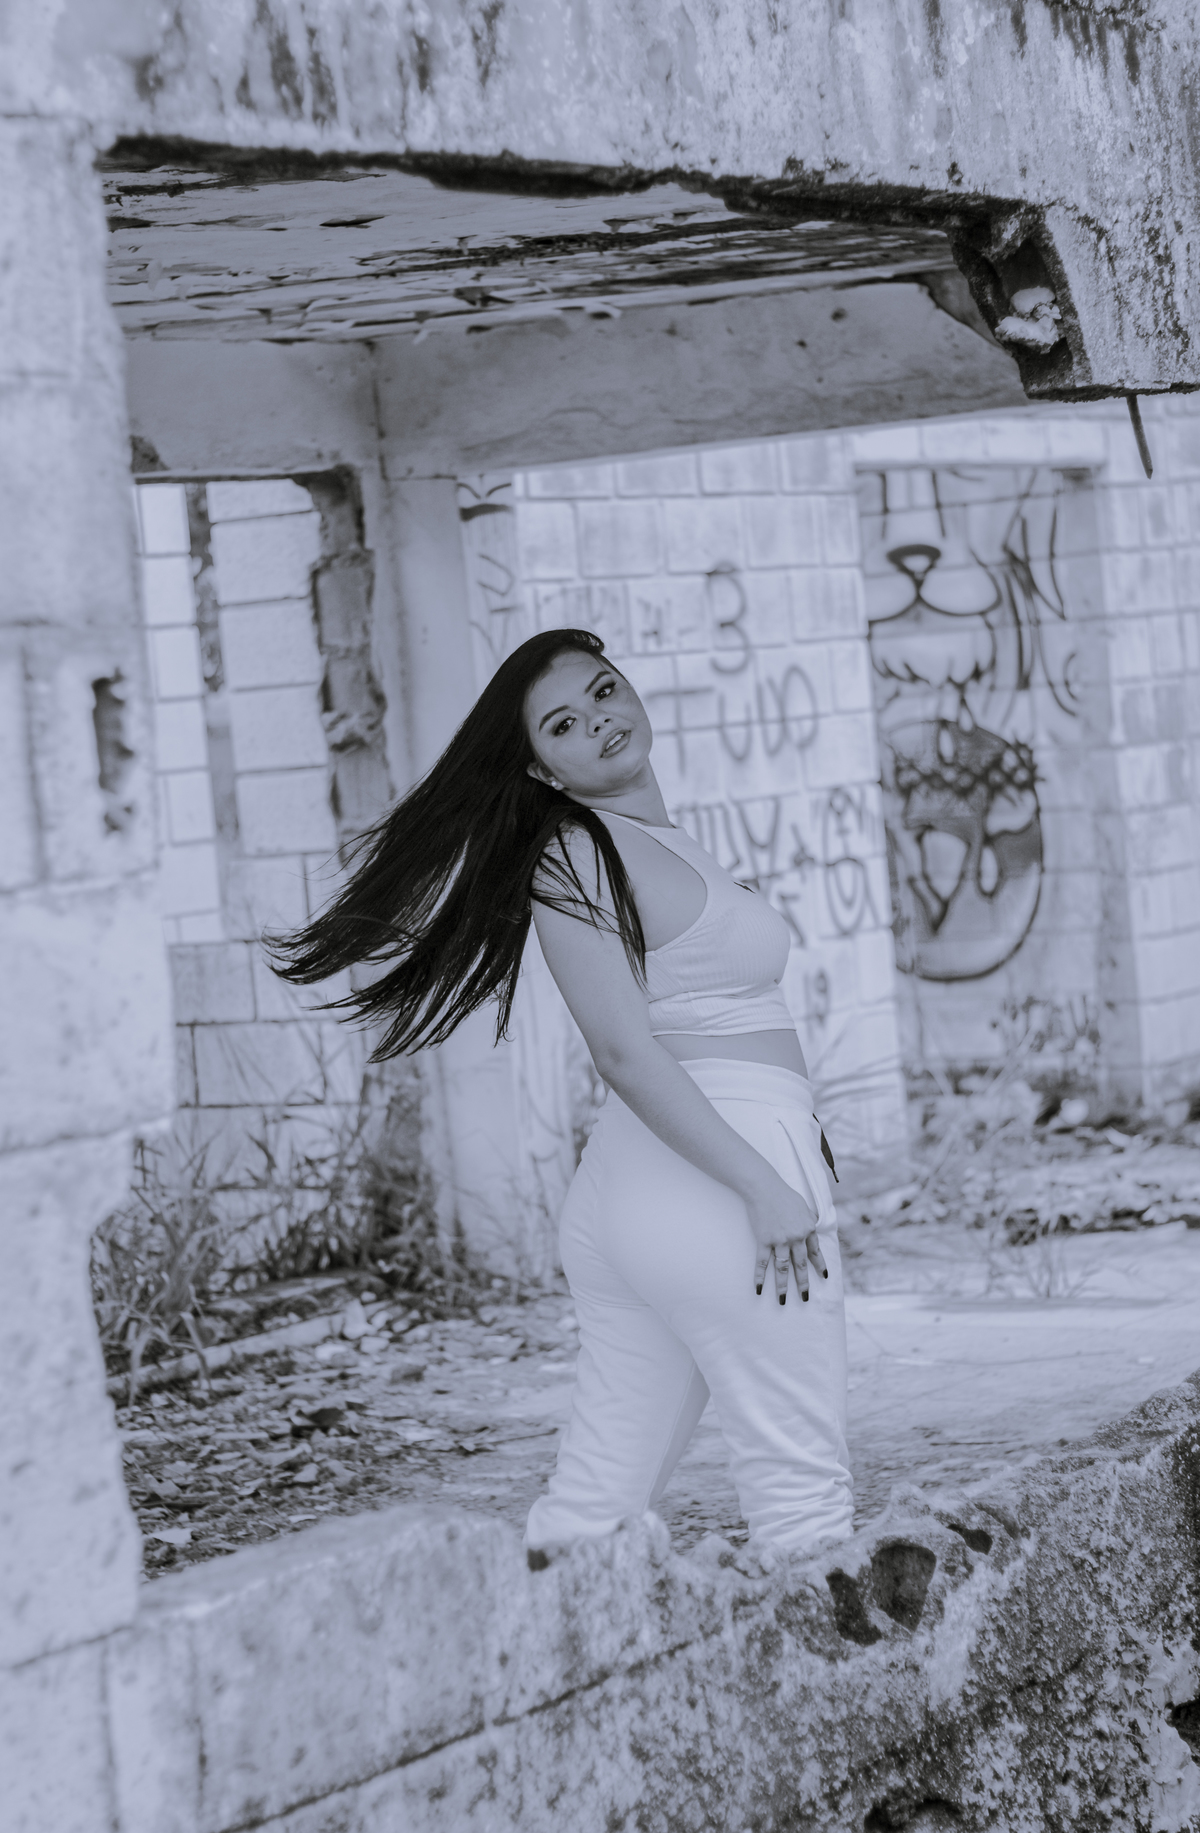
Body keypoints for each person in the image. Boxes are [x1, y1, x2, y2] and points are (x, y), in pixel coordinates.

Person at [268, 627, 853, 1557]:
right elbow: (622, 1050)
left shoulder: (645, 838)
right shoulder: (577, 853)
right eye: (563, 724)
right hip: (720, 1178)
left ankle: (523, 1650)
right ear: (542, 768)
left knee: (592, 1515)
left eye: (603, 691)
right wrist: (765, 1184)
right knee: (803, 1499)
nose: (599, 722)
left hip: (659, 1183)